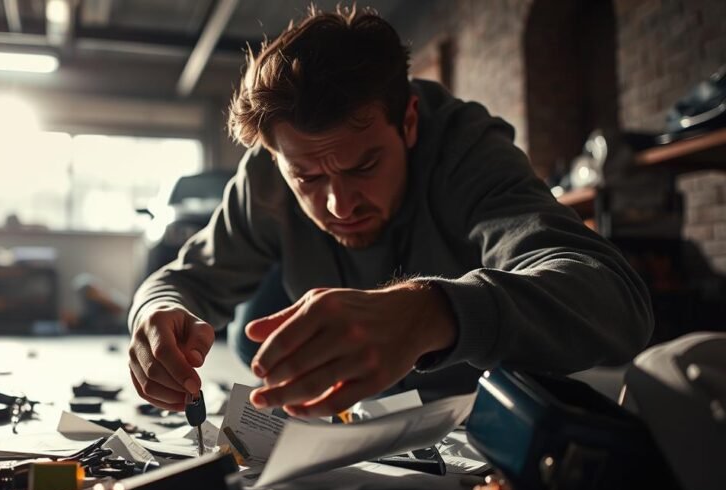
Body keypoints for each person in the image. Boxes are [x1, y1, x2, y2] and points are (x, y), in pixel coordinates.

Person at [127, 6, 653, 418]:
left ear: (409, 121)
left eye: (364, 165)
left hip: (455, 396)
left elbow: (618, 302)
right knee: (252, 336)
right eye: (307, 177)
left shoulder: (467, 150)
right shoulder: (266, 174)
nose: (339, 204)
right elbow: (183, 280)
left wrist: (434, 311)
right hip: (296, 299)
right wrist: (154, 315)